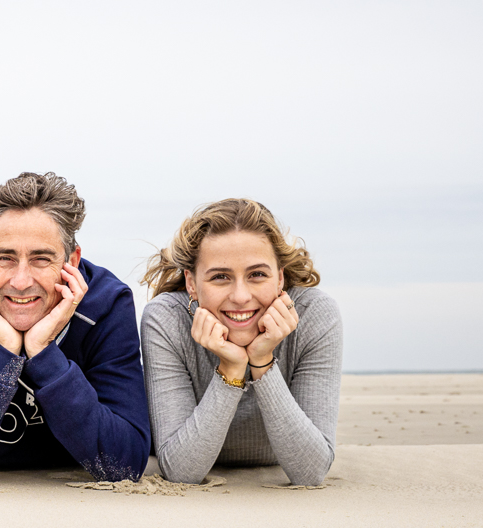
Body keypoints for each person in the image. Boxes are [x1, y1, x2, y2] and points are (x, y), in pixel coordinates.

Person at [0, 171, 149, 480]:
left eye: (41, 259)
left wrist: (44, 353)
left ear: (71, 261)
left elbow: (126, 463)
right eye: (5, 258)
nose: (21, 282)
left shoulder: (105, 305)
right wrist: (4, 352)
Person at [140, 198, 341, 486]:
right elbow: (182, 471)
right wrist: (231, 370)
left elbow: (310, 472)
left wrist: (263, 362)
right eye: (220, 277)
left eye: (257, 274)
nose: (241, 296)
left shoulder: (315, 314)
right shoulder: (166, 319)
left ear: (280, 277)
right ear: (191, 283)